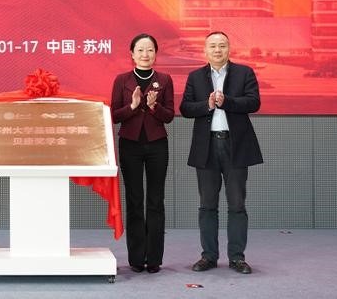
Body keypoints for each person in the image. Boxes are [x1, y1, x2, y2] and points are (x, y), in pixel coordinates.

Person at [179, 31, 263, 275]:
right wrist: (206, 105)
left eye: (222, 46)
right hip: (206, 147)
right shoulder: (196, 76)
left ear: (229, 49)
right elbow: (185, 108)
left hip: (235, 146)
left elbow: (254, 102)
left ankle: (237, 257)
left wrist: (227, 102)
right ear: (205, 50)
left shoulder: (244, 73)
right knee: (207, 204)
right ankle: (209, 256)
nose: (217, 50)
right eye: (213, 46)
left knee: (237, 204)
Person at [110, 33, 174, 274]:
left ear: (156, 53)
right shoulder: (122, 80)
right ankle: (136, 258)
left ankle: (154, 258)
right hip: (130, 145)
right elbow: (114, 115)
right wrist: (133, 106)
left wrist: (154, 106)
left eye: (150, 50)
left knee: (156, 201)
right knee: (135, 200)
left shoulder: (165, 79)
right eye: (140, 50)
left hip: (157, 145)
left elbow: (169, 116)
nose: (145, 54)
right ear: (132, 54)